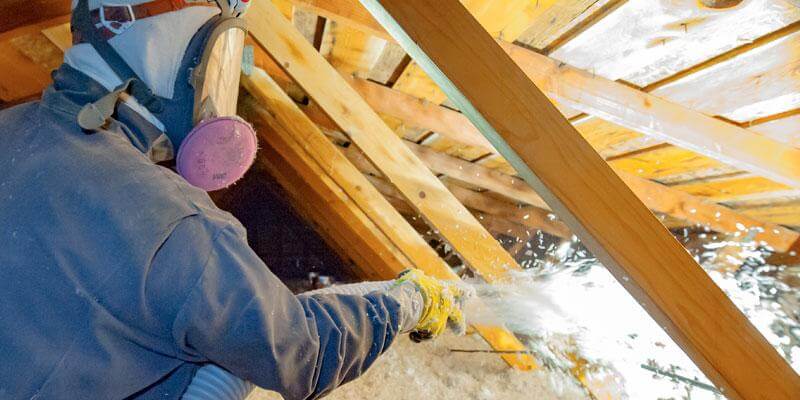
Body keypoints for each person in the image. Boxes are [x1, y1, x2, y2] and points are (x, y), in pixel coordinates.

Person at [0, 0, 468, 398]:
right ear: (169, 48)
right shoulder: (178, 224)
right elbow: (303, 353)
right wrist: (407, 303)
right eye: (220, 56)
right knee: (222, 362)